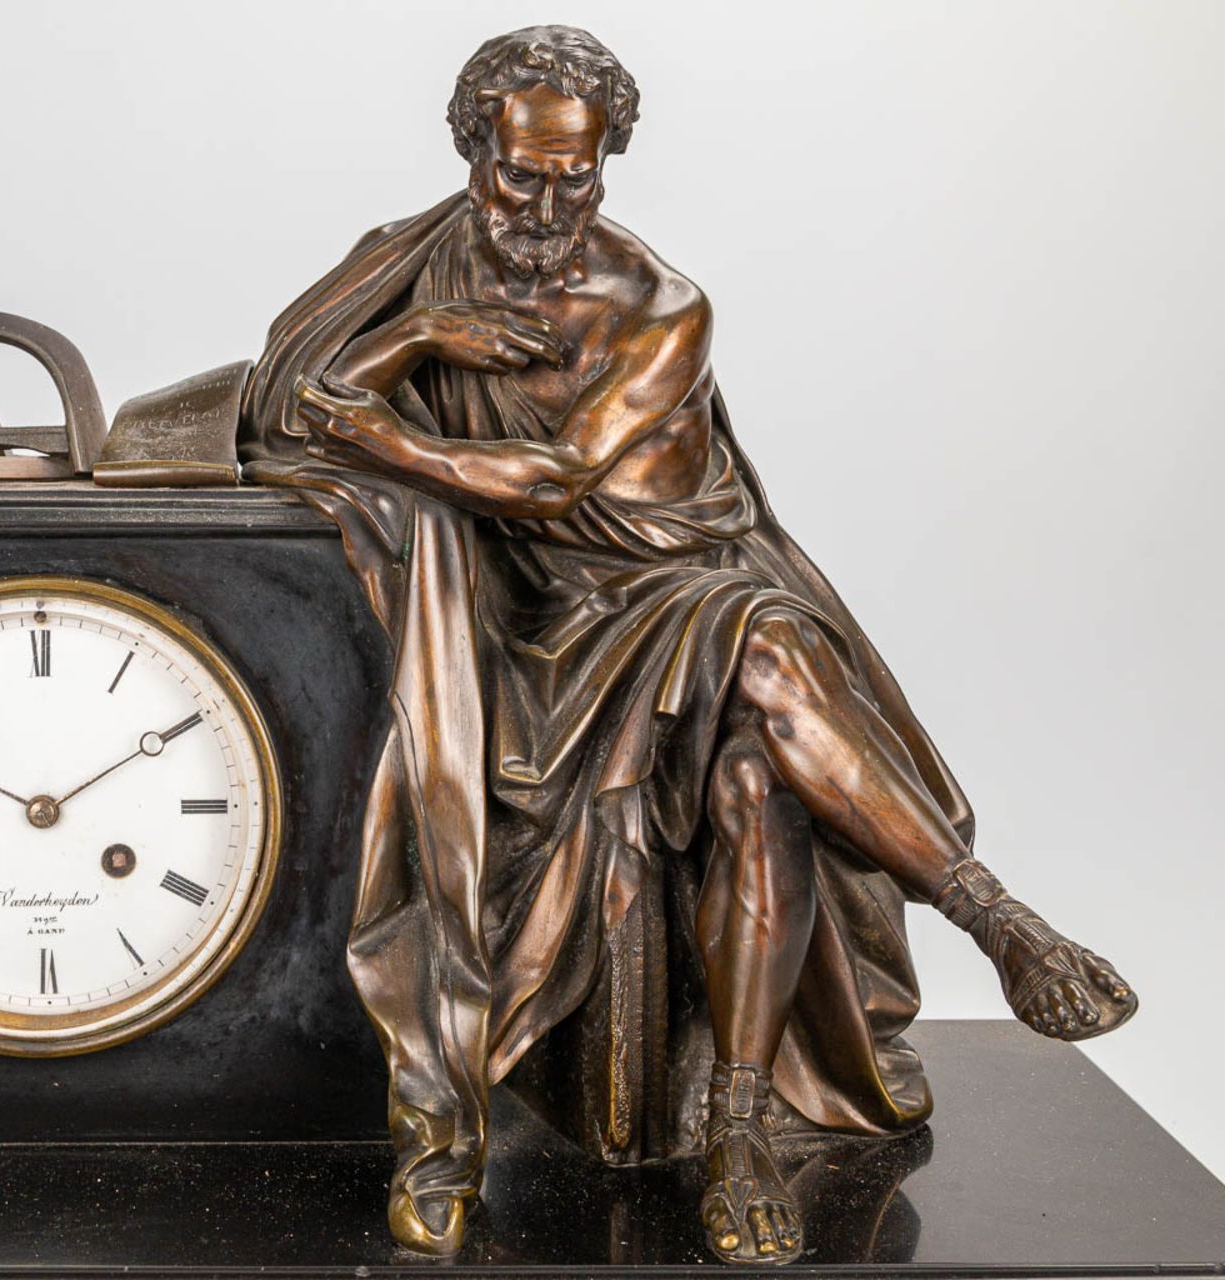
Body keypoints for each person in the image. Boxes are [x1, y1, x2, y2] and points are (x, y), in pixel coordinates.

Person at [237, 25, 1136, 1265]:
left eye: (579, 176)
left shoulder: (659, 304)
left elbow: (548, 477)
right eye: (520, 174)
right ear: (471, 149)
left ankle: (812, 1066)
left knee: (754, 683)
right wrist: (413, 347)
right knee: (750, 755)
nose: (547, 203)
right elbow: (283, 398)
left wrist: (375, 426)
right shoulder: (401, 268)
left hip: (675, 578)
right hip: (540, 620)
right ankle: (864, 1029)